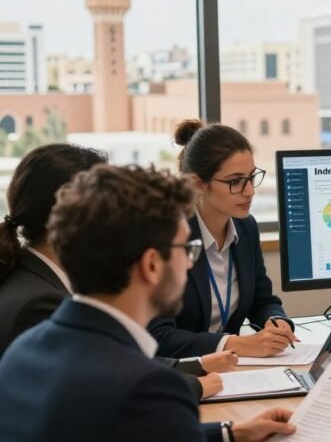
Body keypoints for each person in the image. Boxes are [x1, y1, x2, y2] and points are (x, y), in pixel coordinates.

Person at [0, 164, 331, 442]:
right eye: (187, 250)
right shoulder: (142, 390)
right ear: (151, 265)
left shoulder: (27, 349)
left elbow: (109, 441)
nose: (190, 263)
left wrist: (229, 435)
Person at [0, 143, 233, 399]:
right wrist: (195, 385)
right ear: (76, 213)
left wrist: (199, 366)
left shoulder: (36, 278)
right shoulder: (38, 304)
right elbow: (100, 389)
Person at [148, 120, 298, 358]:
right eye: (235, 182)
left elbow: (263, 300)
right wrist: (235, 344)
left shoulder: (245, 227)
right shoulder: (168, 236)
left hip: (232, 372)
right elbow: (158, 337)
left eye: (251, 177)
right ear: (198, 183)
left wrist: (276, 322)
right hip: (184, 375)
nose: (249, 191)